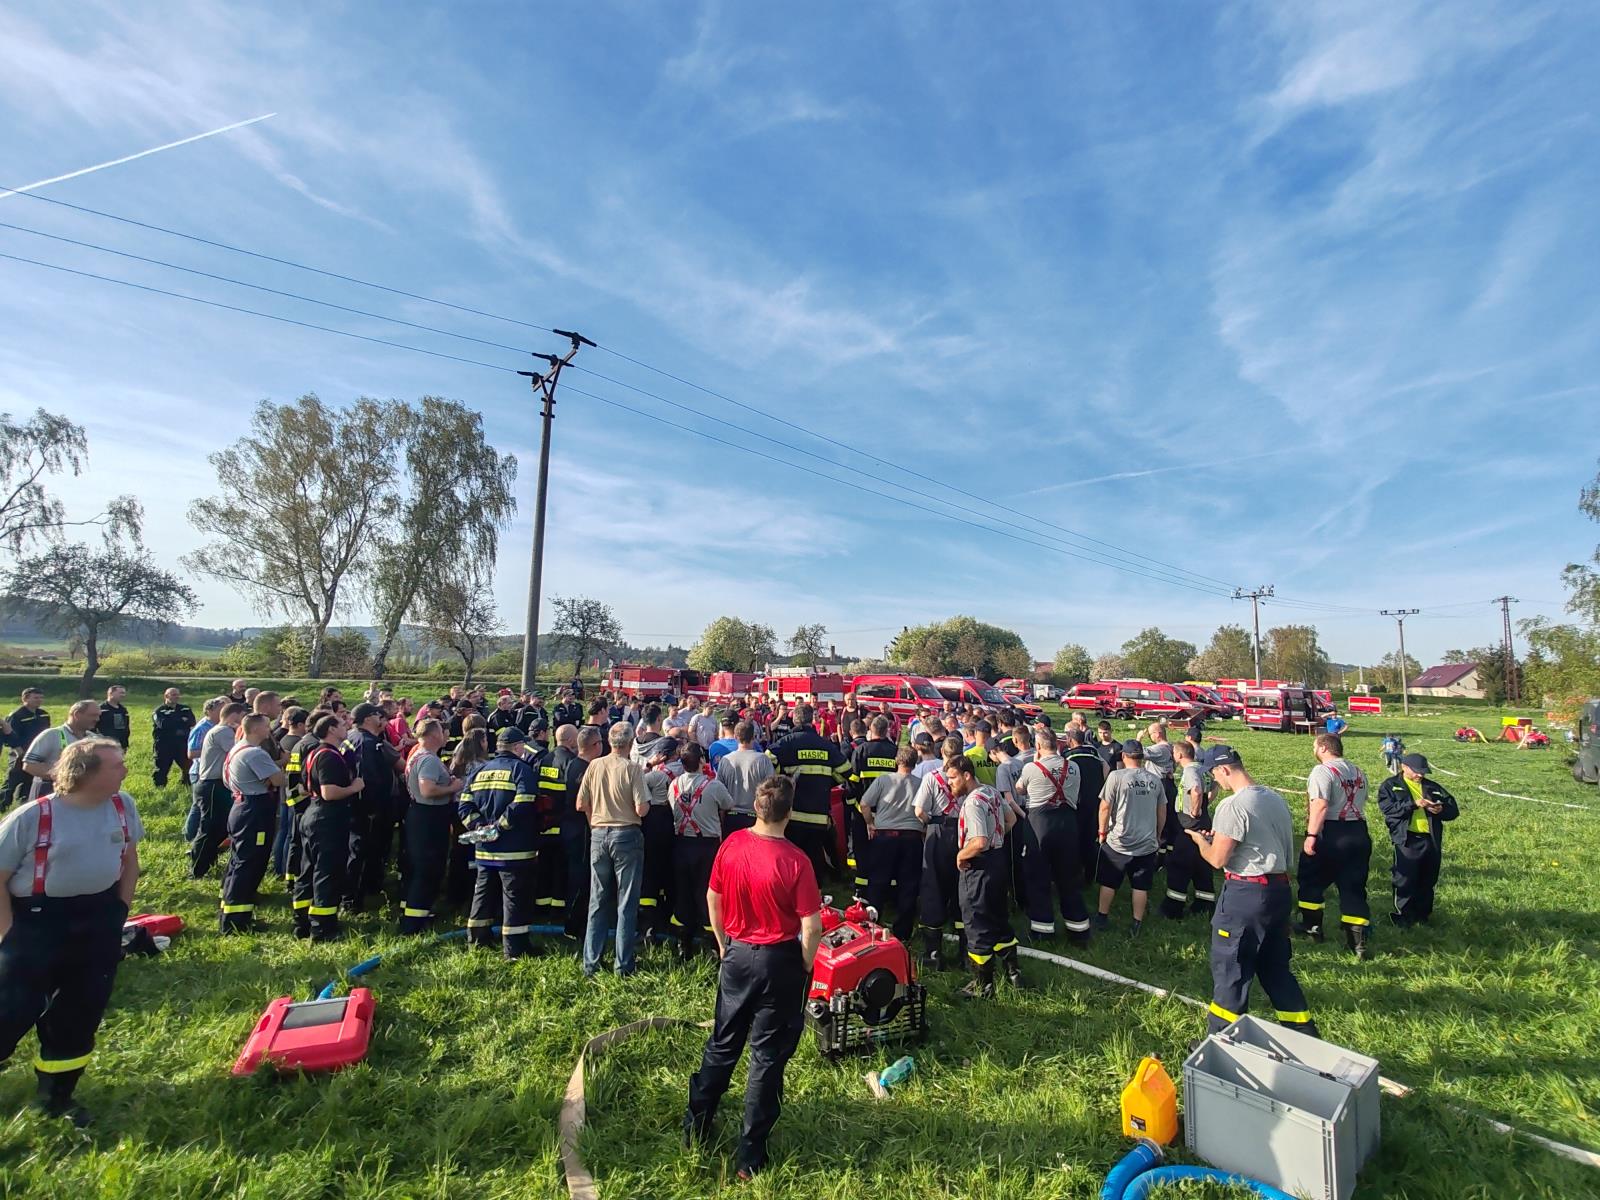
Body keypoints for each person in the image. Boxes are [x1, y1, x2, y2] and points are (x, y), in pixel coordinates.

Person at [683, 775, 823, 1181]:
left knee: (723, 1043)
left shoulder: (731, 845)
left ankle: (697, 1124)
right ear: (789, 813)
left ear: (757, 808)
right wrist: (806, 963)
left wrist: (724, 943)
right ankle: (750, 1155)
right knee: (767, 1056)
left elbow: (714, 898)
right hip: (779, 961)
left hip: (738, 955)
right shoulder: (796, 860)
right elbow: (811, 926)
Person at [0, 737, 143, 1125]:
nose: (125, 770)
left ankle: (56, 1097)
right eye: (116, 765)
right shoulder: (32, 817)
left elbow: (129, 862)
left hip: (97, 918)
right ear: (84, 773)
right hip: (37, 922)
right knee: (12, 1008)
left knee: (79, 1012)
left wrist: (119, 911)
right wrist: (8, 933)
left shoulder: (122, 806)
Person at [1186, 745, 1318, 1037]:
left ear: (1224, 770)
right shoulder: (1275, 799)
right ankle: (1304, 1037)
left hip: (1245, 895)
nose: (1215, 782)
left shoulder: (1232, 806)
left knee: (1231, 970)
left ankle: (1220, 1040)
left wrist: (1201, 842)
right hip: (1279, 890)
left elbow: (1218, 860)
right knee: (1276, 970)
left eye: (1214, 775)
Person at [459, 726, 545, 959]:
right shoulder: (521, 770)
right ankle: (515, 949)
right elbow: (524, 803)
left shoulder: (479, 771)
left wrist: (479, 828)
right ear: (518, 747)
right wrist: (499, 826)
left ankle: (477, 941)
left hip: (485, 850)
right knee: (515, 898)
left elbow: (464, 806)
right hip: (514, 849)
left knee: (483, 895)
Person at [576, 722, 649, 977]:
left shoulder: (595, 766)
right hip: (626, 834)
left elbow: (581, 803)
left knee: (598, 900)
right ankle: (623, 964)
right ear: (630, 743)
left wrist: (594, 821)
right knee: (626, 902)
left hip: (599, 833)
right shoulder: (633, 768)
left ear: (609, 741)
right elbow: (641, 809)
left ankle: (591, 963)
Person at [948, 755, 1023, 997]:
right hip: (998, 862)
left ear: (966, 775)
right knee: (999, 917)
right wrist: (996, 837)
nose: (950, 783)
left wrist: (961, 855)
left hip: (978, 868)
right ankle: (1014, 972)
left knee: (976, 923)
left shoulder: (972, 803)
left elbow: (979, 841)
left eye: (953, 778)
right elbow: (1010, 819)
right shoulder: (990, 792)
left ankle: (983, 986)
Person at [1295, 734, 1372, 956]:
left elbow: (1320, 805)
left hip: (1331, 831)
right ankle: (1357, 943)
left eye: (1314, 746)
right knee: (1353, 887)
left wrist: (1311, 836)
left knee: (1310, 880)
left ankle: (1312, 927)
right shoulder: (1357, 771)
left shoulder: (1322, 771)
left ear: (1322, 748)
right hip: (1358, 831)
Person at [1016, 728, 1093, 944]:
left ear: (1038, 747)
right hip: (1068, 823)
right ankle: (1078, 930)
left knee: (1038, 876)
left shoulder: (1032, 767)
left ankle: (1042, 930)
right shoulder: (1073, 766)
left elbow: (1020, 789)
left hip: (1040, 825)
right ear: (1058, 745)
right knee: (1069, 876)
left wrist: (1034, 761)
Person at [765, 704, 850, 884]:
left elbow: (767, 759)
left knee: (791, 859)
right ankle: (815, 896)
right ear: (812, 720)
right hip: (818, 816)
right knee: (813, 858)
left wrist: (783, 777)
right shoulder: (825, 745)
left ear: (794, 719)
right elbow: (846, 771)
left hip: (792, 815)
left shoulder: (787, 742)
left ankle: (791, 893)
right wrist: (827, 780)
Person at [298, 714, 364, 941]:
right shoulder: (329, 756)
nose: (347, 727)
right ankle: (323, 929)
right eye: (342, 725)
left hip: (313, 814)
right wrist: (354, 787)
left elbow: (306, 788)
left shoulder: (314, 752)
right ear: (331, 729)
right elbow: (329, 792)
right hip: (327, 818)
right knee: (327, 873)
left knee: (307, 870)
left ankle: (302, 924)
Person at [218, 714, 287, 933]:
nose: (270, 730)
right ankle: (236, 921)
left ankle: (231, 908)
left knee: (240, 860)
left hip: (240, 804)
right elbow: (279, 780)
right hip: (254, 809)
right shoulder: (255, 753)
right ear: (257, 729)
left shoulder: (237, 749)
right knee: (249, 863)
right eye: (267, 727)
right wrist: (278, 772)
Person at [1376, 753, 1459, 928]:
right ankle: (1403, 917)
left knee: (1428, 879)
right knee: (1405, 879)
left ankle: (1423, 916)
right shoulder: (1391, 786)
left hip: (1431, 840)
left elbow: (1453, 810)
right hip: (1407, 840)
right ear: (1404, 767)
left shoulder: (1433, 787)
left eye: (1423, 772)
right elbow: (1389, 809)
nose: (1420, 775)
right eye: (1416, 771)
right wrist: (1414, 804)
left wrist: (1441, 809)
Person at [669, 743, 734, 959]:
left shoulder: (674, 785)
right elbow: (728, 803)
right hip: (706, 847)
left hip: (680, 844)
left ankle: (683, 943)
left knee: (683, 891)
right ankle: (711, 943)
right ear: (702, 762)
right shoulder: (713, 786)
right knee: (708, 893)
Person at [1095, 740, 1166, 935]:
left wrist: (1102, 832)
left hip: (1119, 841)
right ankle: (1136, 922)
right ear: (1142, 758)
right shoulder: (1154, 780)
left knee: (1109, 881)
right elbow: (1162, 811)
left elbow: (1105, 807)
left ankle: (1102, 917)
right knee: (1140, 885)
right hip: (1146, 842)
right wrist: (1158, 834)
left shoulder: (1116, 777)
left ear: (1124, 756)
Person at [399, 719, 463, 934]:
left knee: (421, 867)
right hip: (429, 816)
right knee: (427, 868)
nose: (446, 735)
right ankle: (415, 923)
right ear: (433, 734)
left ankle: (418, 912)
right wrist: (454, 786)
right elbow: (428, 790)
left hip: (421, 814)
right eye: (442, 731)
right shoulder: (428, 760)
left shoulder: (420, 755)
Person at [859, 746, 923, 941]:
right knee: (908, 886)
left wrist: (870, 823)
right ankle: (903, 932)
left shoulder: (883, 780)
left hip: (885, 837)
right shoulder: (921, 783)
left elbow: (864, 804)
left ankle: (872, 926)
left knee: (878, 883)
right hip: (912, 838)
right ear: (915, 763)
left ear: (897, 761)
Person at [913, 736, 966, 969]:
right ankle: (966, 954)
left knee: (933, 888)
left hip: (937, 831)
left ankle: (933, 954)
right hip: (964, 832)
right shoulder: (967, 777)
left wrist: (929, 824)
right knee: (962, 889)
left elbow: (919, 810)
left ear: (941, 753)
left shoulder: (931, 778)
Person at [347, 703, 401, 909]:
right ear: (369, 718)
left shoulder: (354, 737)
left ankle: (368, 887)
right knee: (362, 852)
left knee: (367, 852)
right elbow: (369, 778)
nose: (383, 719)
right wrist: (374, 808)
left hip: (362, 807)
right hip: (369, 809)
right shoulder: (367, 742)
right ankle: (354, 899)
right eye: (379, 715)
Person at [1161, 740, 1217, 919]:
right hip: (1204, 821)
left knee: (1179, 864)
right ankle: (1204, 903)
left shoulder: (1190, 771)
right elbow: (1214, 786)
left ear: (1179, 755)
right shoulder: (1202, 769)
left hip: (1189, 824)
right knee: (1202, 863)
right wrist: (1205, 804)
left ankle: (1173, 907)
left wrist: (1194, 810)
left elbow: (1197, 790)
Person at [190, 703, 247, 877]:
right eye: (242, 716)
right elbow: (238, 750)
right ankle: (197, 870)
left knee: (220, 827)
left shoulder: (222, 730)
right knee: (210, 828)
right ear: (234, 716)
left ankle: (208, 860)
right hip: (212, 785)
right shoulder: (222, 732)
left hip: (217, 785)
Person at [847, 716, 899, 892]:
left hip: (863, 811)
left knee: (862, 850)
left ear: (871, 730)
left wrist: (849, 803)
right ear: (887, 731)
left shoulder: (861, 751)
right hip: (889, 813)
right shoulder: (895, 752)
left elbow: (853, 782)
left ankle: (861, 887)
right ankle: (889, 889)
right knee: (887, 853)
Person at [640, 737, 685, 943]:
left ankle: (648, 923)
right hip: (677, 823)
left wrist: (649, 765)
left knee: (650, 871)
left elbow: (634, 783)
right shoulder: (685, 772)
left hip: (654, 823)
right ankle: (671, 916)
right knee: (672, 872)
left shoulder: (654, 776)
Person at [21, 700, 101, 805]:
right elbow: (29, 765)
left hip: (82, 794)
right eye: (93, 715)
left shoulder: (94, 738)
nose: (97, 719)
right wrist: (64, 777)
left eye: (98, 715)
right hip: (49, 791)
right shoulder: (51, 735)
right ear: (77, 714)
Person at [715, 721, 773, 838]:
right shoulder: (763, 760)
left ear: (736, 737)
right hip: (755, 818)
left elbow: (719, 791)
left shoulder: (726, 761)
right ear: (754, 737)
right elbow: (770, 790)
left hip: (731, 817)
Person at [1064, 727, 1105, 887]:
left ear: (1070, 740)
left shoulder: (1068, 756)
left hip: (1077, 802)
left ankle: (1075, 874)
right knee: (1090, 838)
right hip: (1094, 800)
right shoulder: (1094, 753)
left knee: (1075, 839)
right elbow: (1106, 768)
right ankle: (1090, 875)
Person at [2, 688, 50, 810]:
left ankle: (24, 803)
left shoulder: (44, 714)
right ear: (25, 699)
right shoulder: (16, 715)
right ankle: (3, 804)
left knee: (30, 779)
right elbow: (9, 735)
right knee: (12, 780)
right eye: (35, 698)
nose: (39, 700)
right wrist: (18, 750)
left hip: (37, 753)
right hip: (20, 752)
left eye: (40, 698)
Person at [150, 687, 196, 788]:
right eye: (174, 694)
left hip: (182, 743)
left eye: (178, 694)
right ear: (166, 696)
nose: (177, 697)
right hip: (164, 744)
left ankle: (186, 785)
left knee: (188, 766)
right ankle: (160, 787)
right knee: (162, 767)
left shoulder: (185, 708)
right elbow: (163, 724)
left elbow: (192, 722)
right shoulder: (159, 711)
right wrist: (181, 720)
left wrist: (174, 720)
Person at [94, 685, 130, 751]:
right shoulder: (101, 709)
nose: (123, 695)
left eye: (124, 693)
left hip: (121, 744)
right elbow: (92, 727)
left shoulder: (123, 710)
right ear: (111, 693)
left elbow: (126, 727)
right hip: (105, 745)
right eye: (121, 693)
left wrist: (125, 743)